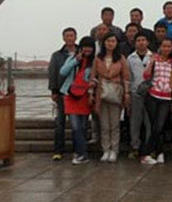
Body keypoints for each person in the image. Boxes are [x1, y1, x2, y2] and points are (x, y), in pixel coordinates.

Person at [90, 32, 130, 162]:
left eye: (113, 41)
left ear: (116, 43)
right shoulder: (98, 58)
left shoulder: (121, 58)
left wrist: (127, 93)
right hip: (101, 93)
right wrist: (91, 93)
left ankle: (114, 150)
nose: (110, 43)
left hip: (116, 92)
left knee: (114, 124)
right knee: (104, 125)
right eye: (108, 41)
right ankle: (105, 150)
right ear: (104, 43)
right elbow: (93, 77)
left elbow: (126, 77)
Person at [59, 36, 96, 165]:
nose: (87, 49)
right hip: (71, 96)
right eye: (85, 46)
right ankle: (82, 154)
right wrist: (75, 61)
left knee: (83, 127)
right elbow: (63, 72)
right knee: (75, 127)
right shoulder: (73, 58)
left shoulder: (94, 62)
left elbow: (95, 78)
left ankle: (79, 152)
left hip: (84, 97)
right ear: (81, 47)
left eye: (90, 47)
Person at [141, 38, 172, 165]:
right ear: (160, 47)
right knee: (155, 125)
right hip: (153, 96)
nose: (166, 49)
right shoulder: (154, 59)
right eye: (164, 46)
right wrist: (151, 63)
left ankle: (150, 152)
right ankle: (155, 153)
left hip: (166, 97)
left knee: (159, 126)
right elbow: (146, 75)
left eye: (169, 46)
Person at [48, 27, 78, 161]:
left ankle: (77, 150)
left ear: (75, 37)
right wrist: (53, 91)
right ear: (63, 38)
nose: (69, 38)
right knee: (60, 122)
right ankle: (58, 150)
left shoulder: (81, 52)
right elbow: (52, 73)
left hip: (77, 93)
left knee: (76, 123)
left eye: (72, 36)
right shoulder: (57, 55)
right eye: (67, 36)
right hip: (61, 92)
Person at [127, 33, 152, 158]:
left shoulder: (153, 57)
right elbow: (129, 77)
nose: (141, 42)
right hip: (135, 92)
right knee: (135, 121)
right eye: (138, 40)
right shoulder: (130, 58)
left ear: (147, 42)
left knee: (149, 121)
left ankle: (149, 147)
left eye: (143, 40)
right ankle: (135, 146)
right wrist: (129, 92)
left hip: (150, 93)